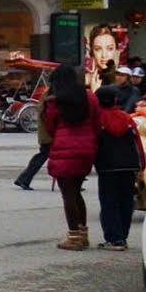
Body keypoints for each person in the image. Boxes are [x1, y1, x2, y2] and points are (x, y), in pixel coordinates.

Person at [42, 64, 98, 250]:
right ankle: (83, 234)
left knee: (68, 195)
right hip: (87, 148)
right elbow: (97, 120)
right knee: (76, 192)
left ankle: (74, 237)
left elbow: (50, 127)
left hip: (64, 148)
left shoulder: (54, 101)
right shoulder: (89, 97)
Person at [93, 85, 144, 251]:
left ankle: (114, 239)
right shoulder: (126, 118)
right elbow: (138, 144)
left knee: (109, 203)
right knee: (125, 202)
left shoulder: (96, 118)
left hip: (107, 166)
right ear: (115, 100)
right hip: (128, 165)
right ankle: (122, 237)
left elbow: (92, 144)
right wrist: (141, 166)